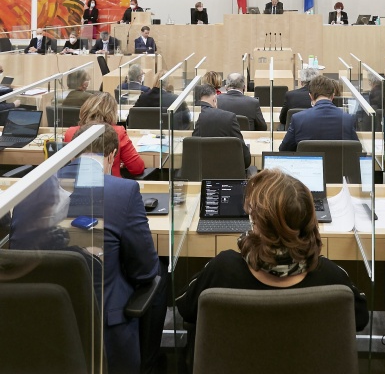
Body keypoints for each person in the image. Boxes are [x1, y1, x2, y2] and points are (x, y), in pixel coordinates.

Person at [176, 168, 369, 361]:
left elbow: (186, 307)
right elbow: (360, 319)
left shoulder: (222, 269)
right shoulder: (332, 278)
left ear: (257, 224)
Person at [72, 124, 161, 374]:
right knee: (159, 275)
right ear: (112, 156)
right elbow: (145, 271)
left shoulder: (31, 189)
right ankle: (150, 365)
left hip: (42, 324)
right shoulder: (124, 191)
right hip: (104, 328)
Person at [64, 93, 145, 178]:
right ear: (112, 112)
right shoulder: (118, 132)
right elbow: (137, 168)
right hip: (111, 186)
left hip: (77, 186)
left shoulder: (70, 132)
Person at [279, 75, 358, 152]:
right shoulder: (348, 119)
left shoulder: (298, 119)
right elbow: (356, 150)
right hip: (338, 165)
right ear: (333, 96)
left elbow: (284, 150)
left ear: (311, 96)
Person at [192, 83, 251, 168]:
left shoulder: (185, 115)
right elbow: (245, 160)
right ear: (214, 99)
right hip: (228, 174)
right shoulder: (228, 117)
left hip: (198, 173)